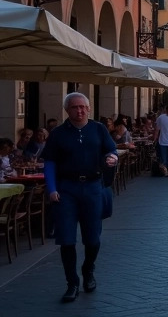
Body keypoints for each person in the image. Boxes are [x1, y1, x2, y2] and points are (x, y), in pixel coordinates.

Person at [42, 92, 119, 302]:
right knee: (66, 239)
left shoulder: (98, 129)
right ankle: (72, 283)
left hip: (93, 187)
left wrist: (112, 157)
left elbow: (112, 150)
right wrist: (51, 188)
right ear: (67, 110)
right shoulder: (58, 134)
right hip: (66, 189)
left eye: (83, 107)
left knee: (92, 239)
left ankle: (88, 269)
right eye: (75, 107)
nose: (80, 111)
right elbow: (49, 163)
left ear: (89, 108)